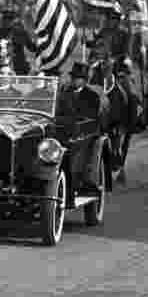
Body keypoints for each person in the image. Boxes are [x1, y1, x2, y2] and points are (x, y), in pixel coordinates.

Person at [56, 62, 103, 198]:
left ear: (84, 80)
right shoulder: (63, 94)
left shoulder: (92, 96)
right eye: (74, 77)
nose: (75, 80)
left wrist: (75, 122)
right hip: (62, 131)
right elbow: (57, 111)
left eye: (79, 78)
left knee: (73, 148)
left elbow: (91, 118)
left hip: (83, 133)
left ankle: (76, 182)